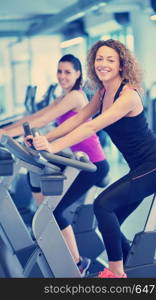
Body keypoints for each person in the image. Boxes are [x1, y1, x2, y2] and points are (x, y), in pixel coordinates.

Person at [29, 39, 156, 278]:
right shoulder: (102, 92)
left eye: (110, 59)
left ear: (121, 64)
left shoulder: (128, 95)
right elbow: (78, 120)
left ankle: (117, 273)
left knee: (103, 205)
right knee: (110, 221)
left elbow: (91, 128)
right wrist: (44, 138)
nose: (103, 64)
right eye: (99, 58)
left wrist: (53, 146)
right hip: (140, 168)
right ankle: (135, 268)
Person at [0, 54, 109, 277]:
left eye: (67, 72)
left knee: (53, 211)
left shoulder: (76, 96)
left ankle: (78, 263)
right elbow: (35, 117)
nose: (62, 76)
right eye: (60, 71)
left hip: (92, 164)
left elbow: (40, 122)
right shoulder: (65, 95)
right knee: (41, 193)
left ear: (78, 74)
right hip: (76, 162)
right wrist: (5, 131)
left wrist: (5, 134)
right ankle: (49, 244)